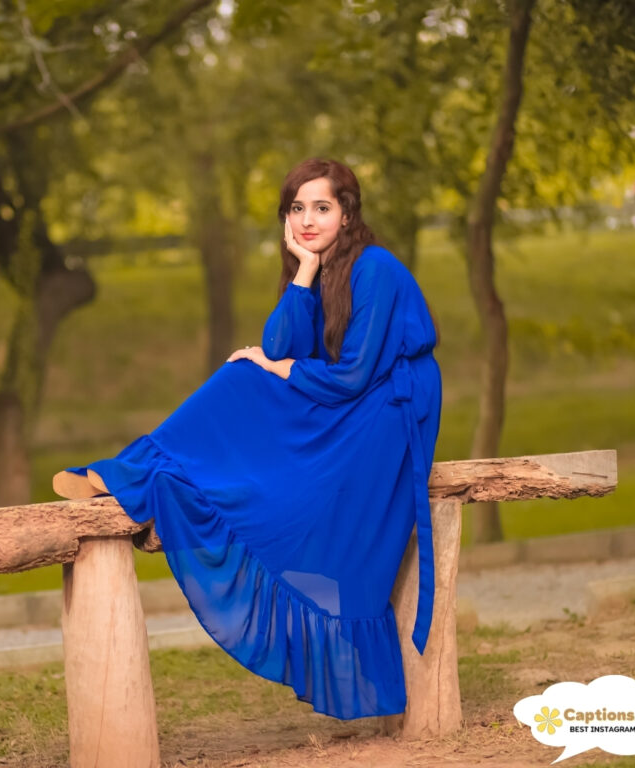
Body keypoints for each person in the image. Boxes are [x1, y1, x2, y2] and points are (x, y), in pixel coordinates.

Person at [53, 158, 442, 720]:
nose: (307, 220)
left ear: (348, 213)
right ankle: (135, 472)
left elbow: (352, 374)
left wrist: (279, 369)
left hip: (387, 409)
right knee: (244, 374)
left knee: (255, 377)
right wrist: (304, 272)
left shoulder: (374, 268)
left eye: (322, 208)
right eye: (297, 208)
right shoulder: (321, 268)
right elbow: (281, 344)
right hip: (350, 398)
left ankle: (136, 475)